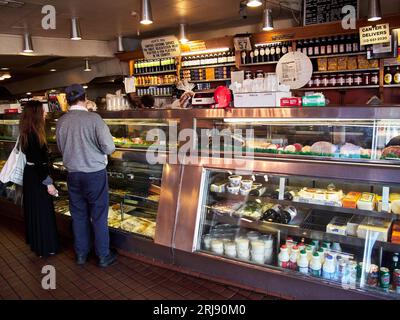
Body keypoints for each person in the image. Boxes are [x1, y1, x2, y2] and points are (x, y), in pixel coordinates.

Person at [56, 84, 117, 268]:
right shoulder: (94, 119)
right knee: (98, 215)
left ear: (67, 100)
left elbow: (60, 148)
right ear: (85, 97)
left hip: (73, 175)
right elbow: (109, 147)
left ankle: (81, 254)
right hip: (95, 175)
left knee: (79, 215)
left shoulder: (62, 121)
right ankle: (103, 256)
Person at [20, 100, 59, 257]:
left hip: (30, 175)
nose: (45, 113)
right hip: (38, 177)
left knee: (35, 211)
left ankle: (38, 246)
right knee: (43, 211)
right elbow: (39, 163)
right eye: (42, 111)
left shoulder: (26, 131)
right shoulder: (35, 134)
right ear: (36, 114)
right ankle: (46, 247)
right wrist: (49, 183)